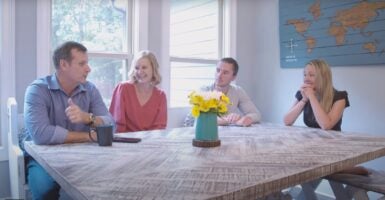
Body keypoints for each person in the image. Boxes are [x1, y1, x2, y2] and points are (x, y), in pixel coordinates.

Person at [24, 41, 115, 200]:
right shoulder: (37, 90)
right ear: (64, 64)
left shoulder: (90, 89)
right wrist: (89, 137)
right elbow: (41, 134)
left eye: (87, 63)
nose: (88, 68)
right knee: (44, 189)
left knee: (105, 182)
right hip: (44, 155)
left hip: (83, 154)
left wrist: (87, 117)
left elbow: (110, 125)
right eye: (82, 63)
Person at [184, 57, 261, 127]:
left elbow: (256, 114)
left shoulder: (238, 91)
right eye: (218, 70)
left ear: (233, 77)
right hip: (193, 132)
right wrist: (231, 120)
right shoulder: (204, 90)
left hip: (220, 134)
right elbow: (205, 119)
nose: (219, 75)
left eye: (225, 72)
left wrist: (246, 118)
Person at [283, 59, 349, 131]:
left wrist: (311, 97)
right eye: (305, 75)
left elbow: (326, 125)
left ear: (323, 78)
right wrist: (304, 100)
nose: (306, 79)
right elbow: (287, 121)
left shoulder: (339, 97)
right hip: (311, 140)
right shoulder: (303, 94)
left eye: (311, 75)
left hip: (332, 140)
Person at [109, 50, 167, 132]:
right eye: (136, 68)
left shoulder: (161, 95)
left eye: (144, 67)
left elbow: (159, 128)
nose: (140, 72)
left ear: (153, 69)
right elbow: (117, 125)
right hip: (125, 141)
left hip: (151, 142)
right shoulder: (123, 89)